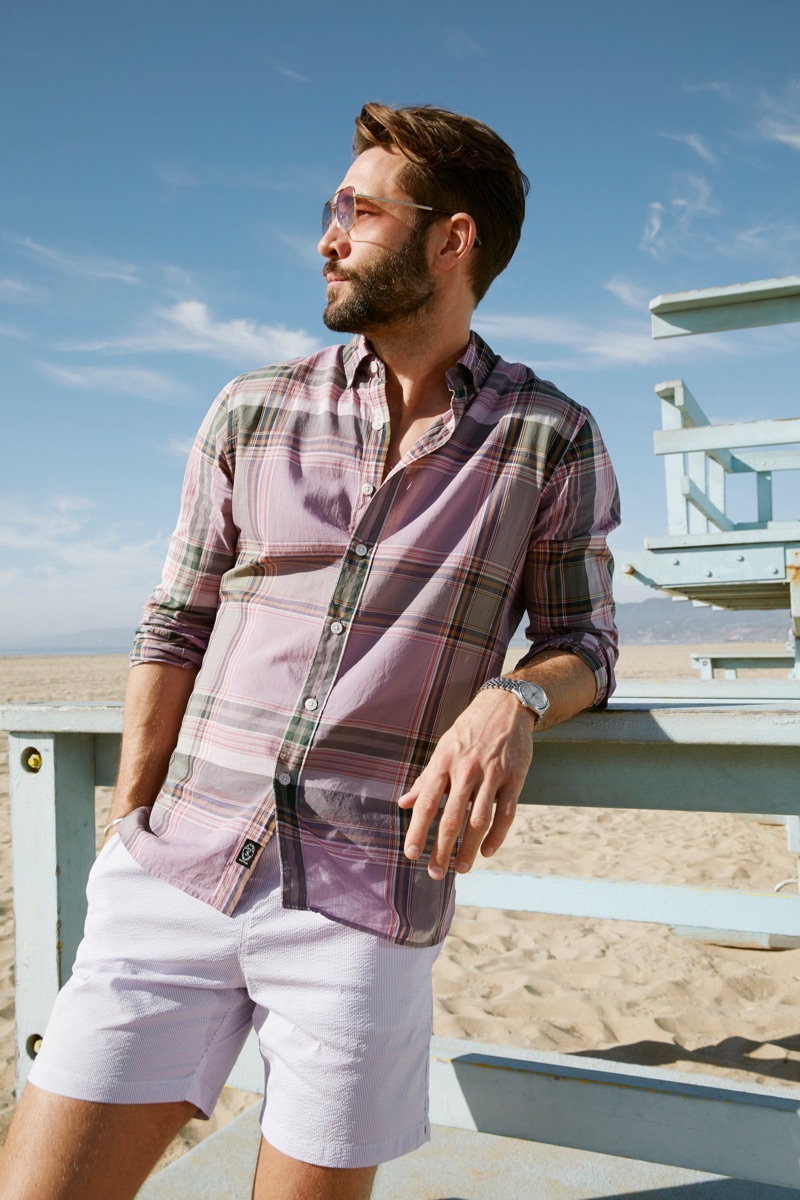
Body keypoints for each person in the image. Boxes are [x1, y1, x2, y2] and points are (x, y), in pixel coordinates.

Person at [0, 102, 619, 1200]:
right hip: (174, 870)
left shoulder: (545, 435)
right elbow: (175, 621)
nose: (325, 237)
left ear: (450, 240)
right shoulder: (252, 407)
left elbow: (582, 641)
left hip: (363, 900)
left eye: (356, 210)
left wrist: (510, 702)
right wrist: (128, 829)